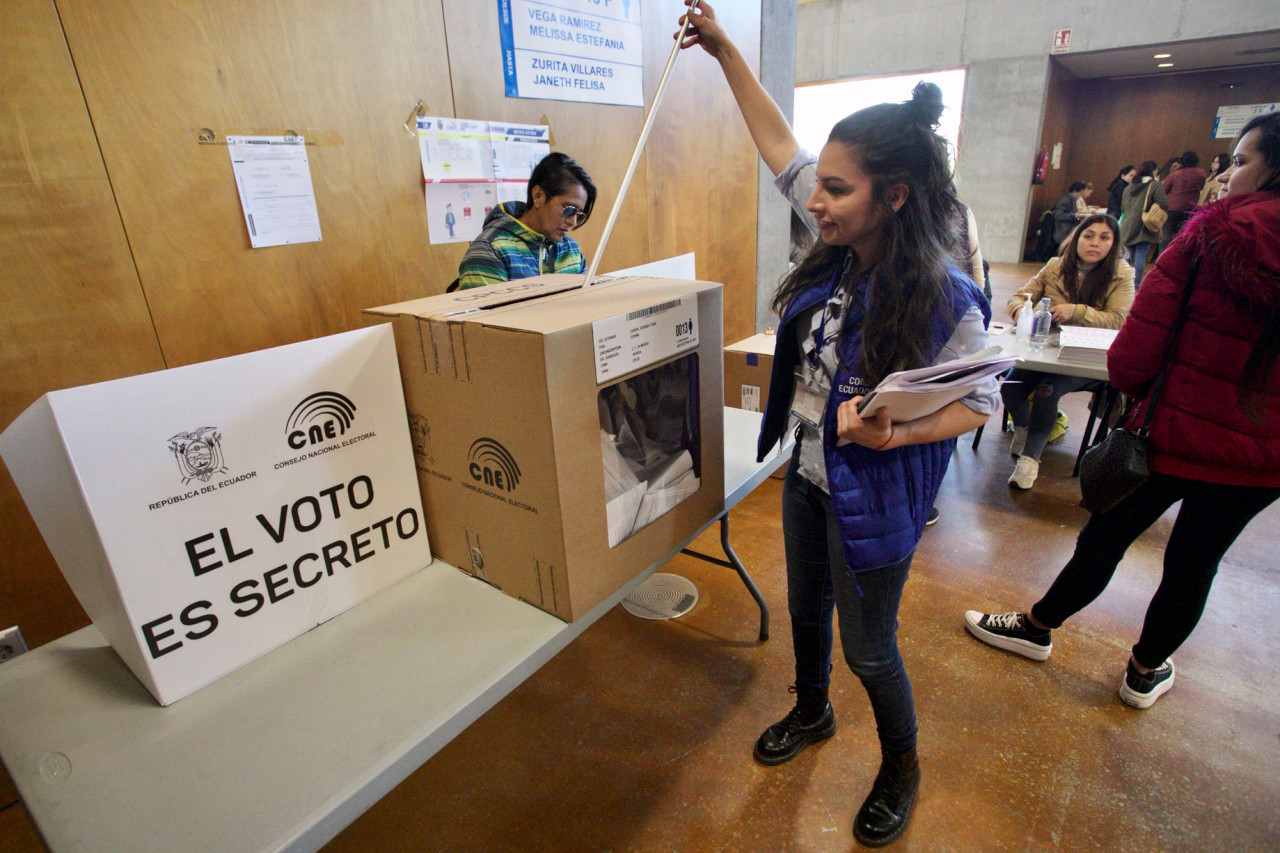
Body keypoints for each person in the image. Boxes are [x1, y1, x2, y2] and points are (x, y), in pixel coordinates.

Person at [678, 2, 998, 845]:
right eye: (818, 184)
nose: (812, 198)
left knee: (870, 647)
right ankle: (812, 713)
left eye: (836, 188)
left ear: (893, 196)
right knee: (806, 611)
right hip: (809, 478)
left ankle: (902, 765)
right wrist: (724, 53)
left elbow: (981, 402)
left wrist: (896, 434)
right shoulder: (838, 242)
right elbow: (778, 145)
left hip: (877, 498)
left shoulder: (943, 292)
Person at [965, 110, 1280, 710]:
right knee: (1196, 563)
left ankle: (1037, 626)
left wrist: (1132, 396)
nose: (1228, 177)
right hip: (1262, 458)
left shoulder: (1208, 239)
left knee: (1107, 537)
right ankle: (1145, 670)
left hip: (1173, 433)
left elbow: (1133, 351)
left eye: (1241, 162)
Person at [1002, 214, 1134, 489]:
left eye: (1104, 237)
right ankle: (1026, 430)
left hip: (1088, 355)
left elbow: (1119, 320)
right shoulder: (1054, 266)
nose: (1094, 243)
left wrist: (1076, 311)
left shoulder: (1123, 274)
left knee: (1047, 390)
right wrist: (1023, 312)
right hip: (1046, 349)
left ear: (1114, 243)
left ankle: (1029, 460)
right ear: (1076, 239)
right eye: (1088, 236)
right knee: (1010, 386)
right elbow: (1019, 297)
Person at [456, 152, 596, 289]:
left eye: (579, 214)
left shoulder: (570, 251)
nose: (573, 222)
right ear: (538, 195)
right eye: (569, 209)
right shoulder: (489, 252)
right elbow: (487, 312)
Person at [1119, 160, 1167, 287]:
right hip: (1144, 225)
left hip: (1127, 223)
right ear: (1153, 171)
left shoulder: (1129, 186)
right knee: (1141, 254)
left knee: (1126, 255)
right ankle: (1136, 283)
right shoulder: (1154, 185)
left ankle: (1122, 281)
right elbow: (1163, 203)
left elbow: (1123, 207)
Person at [1161, 150, 1207, 240]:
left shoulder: (1175, 175)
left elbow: (1164, 190)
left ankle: (1165, 253)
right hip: (1190, 208)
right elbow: (1201, 187)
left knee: (1166, 236)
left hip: (1172, 209)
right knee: (1182, 237)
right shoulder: (1201, 174)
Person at [1052, 181, 1090, 246]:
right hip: (1064, 230)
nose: (1080, 197)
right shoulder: (1065, 200)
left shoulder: (1072, 200)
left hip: (1069, 228)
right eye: (1080, 194)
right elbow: (1058, 215)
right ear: (1075, 191)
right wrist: (1073, 215)